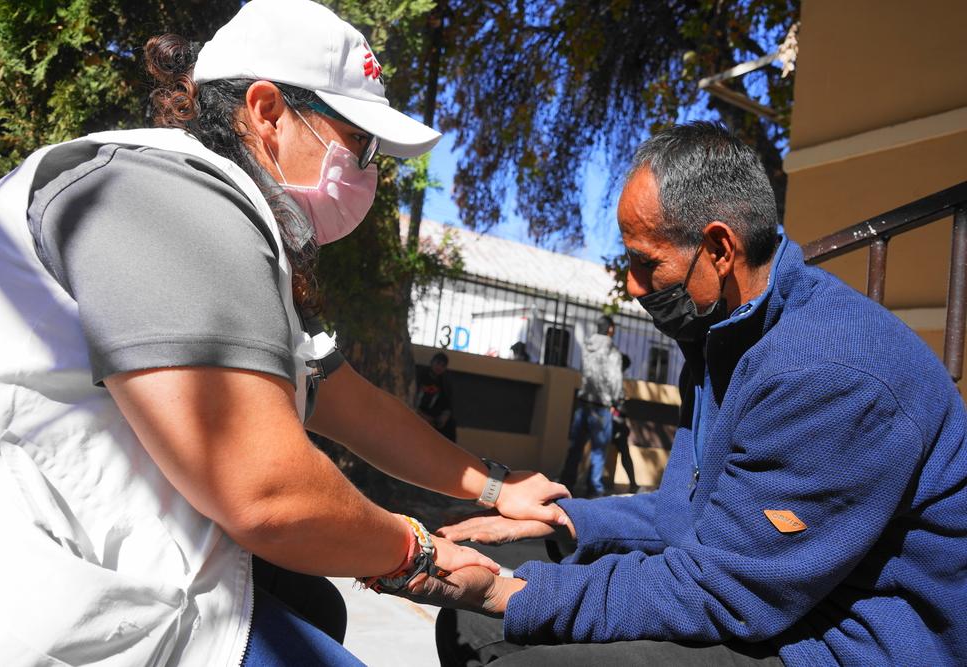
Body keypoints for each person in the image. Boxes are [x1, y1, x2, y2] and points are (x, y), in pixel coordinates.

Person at [0, 1, 569, 664]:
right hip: (36, 596)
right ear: (268, 111)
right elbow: (269, 493)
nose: (370, 170)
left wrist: (496, 485)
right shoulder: (160, 199)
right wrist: (424, 554)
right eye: (360, 143)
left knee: (318, 605)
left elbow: (348, 402)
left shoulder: (220, 215)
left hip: (111, 563)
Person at [398, 121, 967, 666]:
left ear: (719, 250)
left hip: (843, 642)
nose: (631, 285)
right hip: (767, 596)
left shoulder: (830, 376)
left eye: (646, 263)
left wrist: (506, 593)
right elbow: (687, 518)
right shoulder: (720, 338)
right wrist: (568, 523)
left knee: (508, 622)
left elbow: (724, 589)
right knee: (471, 622)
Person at [558, 315, 625, 498]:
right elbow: (615, 379)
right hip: (602, 406)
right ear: (610, 329)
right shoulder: (612, 351)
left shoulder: (587, 347)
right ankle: (594, 489)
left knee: (575, 448)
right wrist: (617, 400)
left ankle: (566, 484)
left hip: (584, 402)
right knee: (598, 451)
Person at [607, 353, 637, 493]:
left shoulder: (610, 375)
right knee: (624, 453)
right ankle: (633, 483)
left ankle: (632, 483)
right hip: (615, 420)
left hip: (613, 419)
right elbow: (616, 401)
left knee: (599, 452)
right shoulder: (615, 377)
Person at [417, 352, 457, 442]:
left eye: (443, 366)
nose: (439, 367)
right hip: (418, 411)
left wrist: (444, 416)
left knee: (450, 424)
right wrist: (423, 416)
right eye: (437, 363)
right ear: (432, 363)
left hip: (433, 414)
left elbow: (447, 404)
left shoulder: (444, 382)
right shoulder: (421, 376)